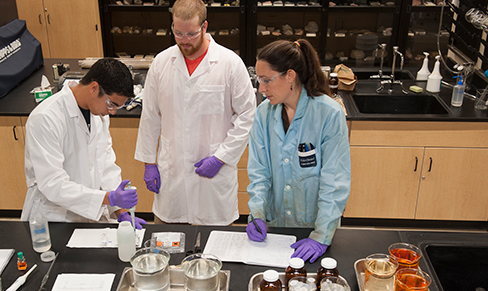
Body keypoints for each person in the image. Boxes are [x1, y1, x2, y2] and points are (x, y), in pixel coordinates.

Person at [134, 0, 257, 225]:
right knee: (169, 243)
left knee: (216, 248)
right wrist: (149, 163)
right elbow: (150, 116)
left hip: (212, 177)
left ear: (204, 26)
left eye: (190, 34)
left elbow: (248, 115)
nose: (184, 40)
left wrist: (222, 157)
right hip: (173, 173)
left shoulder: (229, 63)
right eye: (178, 33)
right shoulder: (161, 63)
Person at [246, 39, 351, 263]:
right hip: (275, 229)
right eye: (259, 80)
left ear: (290, 76)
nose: (261, 89)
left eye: (267, 80)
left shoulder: (328, 114)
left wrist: (321, 236)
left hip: (315, 230)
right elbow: (259, 173)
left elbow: (334, 182)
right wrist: (257, 215)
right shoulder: (264, 114)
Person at [21, 58, 147, 228]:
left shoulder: (98, 115)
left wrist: (120, 211)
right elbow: (53, 184)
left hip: (91, 216)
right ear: (94, 88)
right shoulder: (46, 118)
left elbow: (105, 166)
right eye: (111, 104)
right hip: (55, 218)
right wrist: (108, 198)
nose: (112, 112)